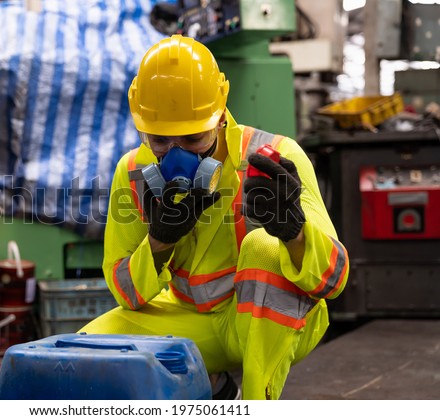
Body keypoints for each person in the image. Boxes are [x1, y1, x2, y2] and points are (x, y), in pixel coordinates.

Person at [81, 35, 349, 400]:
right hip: (189, 323)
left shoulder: (275, 159)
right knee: (83, 355)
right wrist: (160, 241)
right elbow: (126, 294)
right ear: (141, 128)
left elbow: (332, 281)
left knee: (263, 246)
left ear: (221, 115)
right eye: (160, 141)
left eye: (193, 139)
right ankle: (212, 385)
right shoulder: (133, 173)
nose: (176, 156)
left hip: (262, 323)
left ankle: (255, 402)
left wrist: (294, 233)